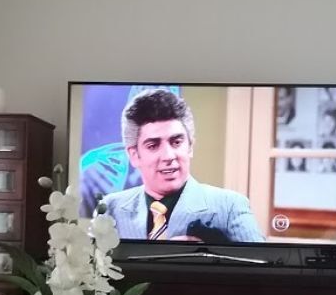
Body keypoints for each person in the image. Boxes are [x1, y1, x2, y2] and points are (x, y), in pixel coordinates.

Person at [100, 89, 265, 243]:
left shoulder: (230, 207)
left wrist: (211, 254)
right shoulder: (110, 209)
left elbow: (262, 263)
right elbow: (92, 264)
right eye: (153, 145)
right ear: (134, 155)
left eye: (176, 142)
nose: (168, 156)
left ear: (190, 147)